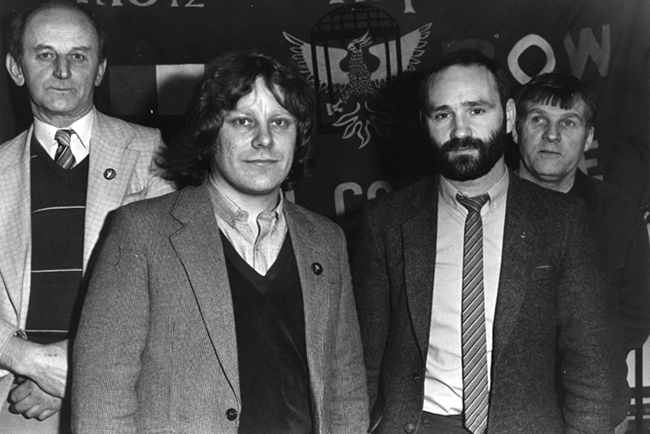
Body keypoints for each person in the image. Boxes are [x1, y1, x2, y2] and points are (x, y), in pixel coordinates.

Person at [71, 50, 369, 434]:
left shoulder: (326, 241)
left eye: (280, 122)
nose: (264, 139)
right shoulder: (142, 232)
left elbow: (345, 386)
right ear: (211, 133)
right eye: (243, 121)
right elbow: (102, 397)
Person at [352, 50, 615, 434]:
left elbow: (589, 364)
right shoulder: (386, 222)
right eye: (443, 114)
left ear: (508, 116)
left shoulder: (562, 221)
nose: (460, 130)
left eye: (476, 110)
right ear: (425, 124)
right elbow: (365, 360)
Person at [0, 0, 174, 433]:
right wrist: (32, 361)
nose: (63, 71)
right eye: (45, 55)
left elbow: (171, 289)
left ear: (99, 70)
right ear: (16, 68)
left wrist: (78, 366)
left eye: (78, 55)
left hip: (124, 398)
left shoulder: (151, 153)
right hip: (16, 401)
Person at [513, 72, 650, 434]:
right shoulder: (484, 206)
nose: (552, 135)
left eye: (568, 122)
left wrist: (587, 361)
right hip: (505, 414)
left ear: (588, 137)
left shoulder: (618, 210)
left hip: (598, 410)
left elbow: (637, 312)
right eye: (538, 119)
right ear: (514, 127)